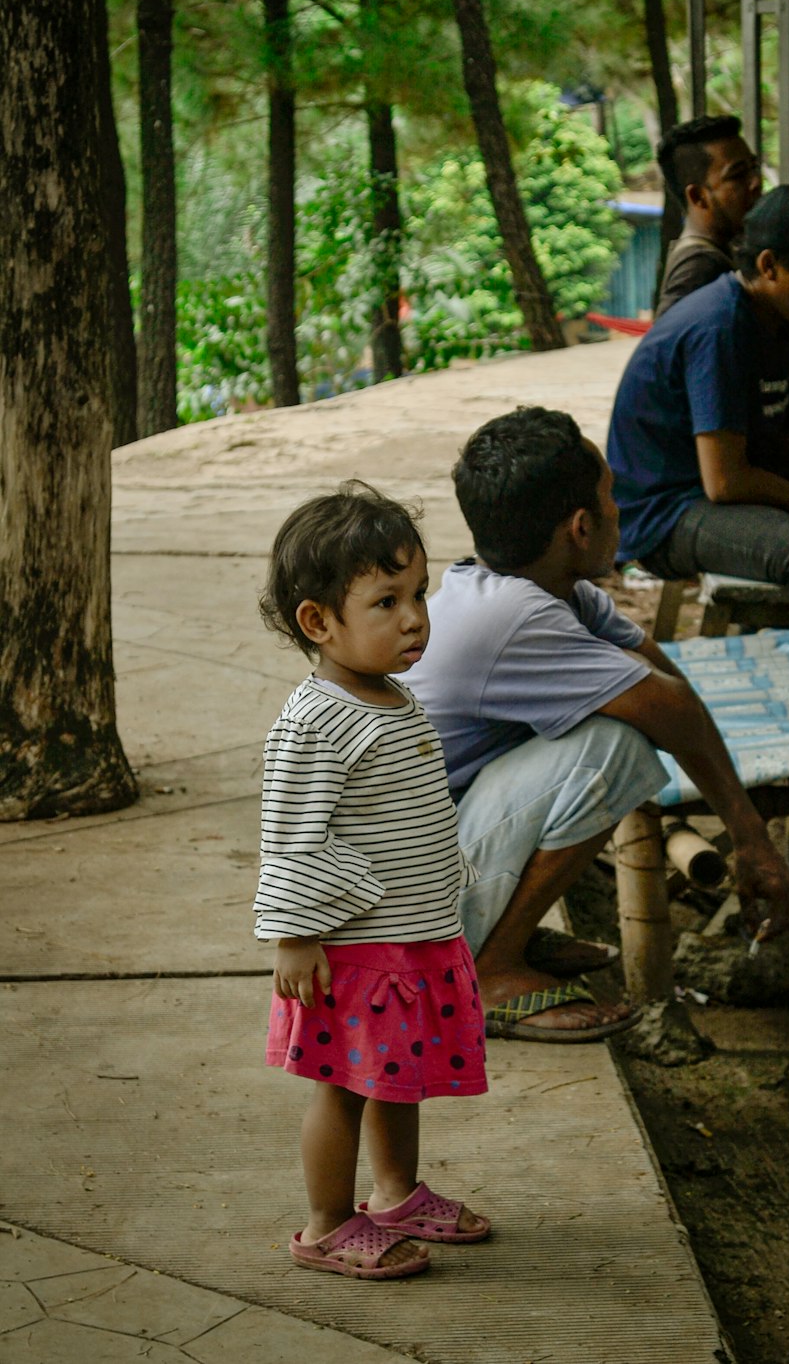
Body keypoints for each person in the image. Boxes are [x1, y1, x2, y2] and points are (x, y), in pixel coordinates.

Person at [404, 407, 789, 1044]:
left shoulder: (546, 591)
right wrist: (750, 836)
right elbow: (666, 709)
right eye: (612, 497)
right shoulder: (518, 618)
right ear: (581, 526)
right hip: (401, 917)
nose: (622, 510)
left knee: (614, 716)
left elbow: (671, 689)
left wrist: (743, 826)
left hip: (423, 873)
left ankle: (508, 936)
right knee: (613, 745)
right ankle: (493, 968)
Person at [253, 485, 490, 1281]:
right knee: (344, 1089)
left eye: (418, 593)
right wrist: (295, 935)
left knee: (400, 1078)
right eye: (386, 600)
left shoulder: (390, 694)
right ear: (319, 622)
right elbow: (291, 834)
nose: (416, 617)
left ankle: (395, 1195)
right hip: (355, 949)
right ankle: (326, 1224)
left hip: (411, 937)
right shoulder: (315, 721)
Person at [608, 183, 789, 682]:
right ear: (768, 267)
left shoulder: (782, 324)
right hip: (665, 511)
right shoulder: (719, 328)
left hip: (714, 494)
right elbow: (726, 483)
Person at [655, 114, 762, 317]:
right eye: (737, 175)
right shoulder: (697, 270)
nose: (755, 181)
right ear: (698, 196)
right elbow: (666, 346)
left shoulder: (721, 251)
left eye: (753, 167)